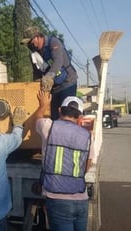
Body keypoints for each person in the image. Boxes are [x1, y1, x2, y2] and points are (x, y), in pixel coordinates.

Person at [34, 90, 94, 231]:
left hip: (57, 199)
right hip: (81, 198)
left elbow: (37, 119)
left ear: (59, 110)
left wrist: (43, 105)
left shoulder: (48, 126)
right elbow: (88, 165)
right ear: (80, 116)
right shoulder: (87, 136)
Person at [21, 26, 79, 120]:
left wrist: (48, 77)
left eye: (30, 42)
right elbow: (36, 72)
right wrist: (35, 86)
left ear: (37, 37)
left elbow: (58, 62)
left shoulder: (53, 43)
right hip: (54, 88)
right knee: (54, 117)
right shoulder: (34, 54)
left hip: (68, 83)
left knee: (67, 115)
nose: (29, 45)